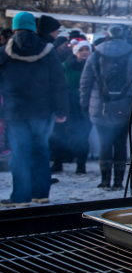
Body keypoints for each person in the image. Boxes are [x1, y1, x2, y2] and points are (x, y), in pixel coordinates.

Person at [0, 12, 68, 206]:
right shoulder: (49, 51)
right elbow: (58, 83)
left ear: (14, 27)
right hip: (42, 111)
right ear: (32, 27)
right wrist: (61, 111)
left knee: (20, 154)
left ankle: (21, 198)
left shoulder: (4, 52)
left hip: (16, 112)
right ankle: (41, 194)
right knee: (40, 151)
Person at [79, 24, 132, 190]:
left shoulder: (95, 55)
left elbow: (85, 83)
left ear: (107, 36)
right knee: (121, 143)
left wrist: (84, 104)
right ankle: (118, 181)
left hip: (99, 106)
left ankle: (105, 181)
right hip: (125, 106)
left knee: (104, 143)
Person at [52, 41, 92, 175]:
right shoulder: (65, 66)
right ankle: (58, 162)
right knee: (61, 135)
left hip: (85, 106)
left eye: (87, 49)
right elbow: (58, 84)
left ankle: (81, 165)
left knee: (83, 136)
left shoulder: (93, 66)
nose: (85, 52)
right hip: (67, 105)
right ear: (76, 52)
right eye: (82, 49)